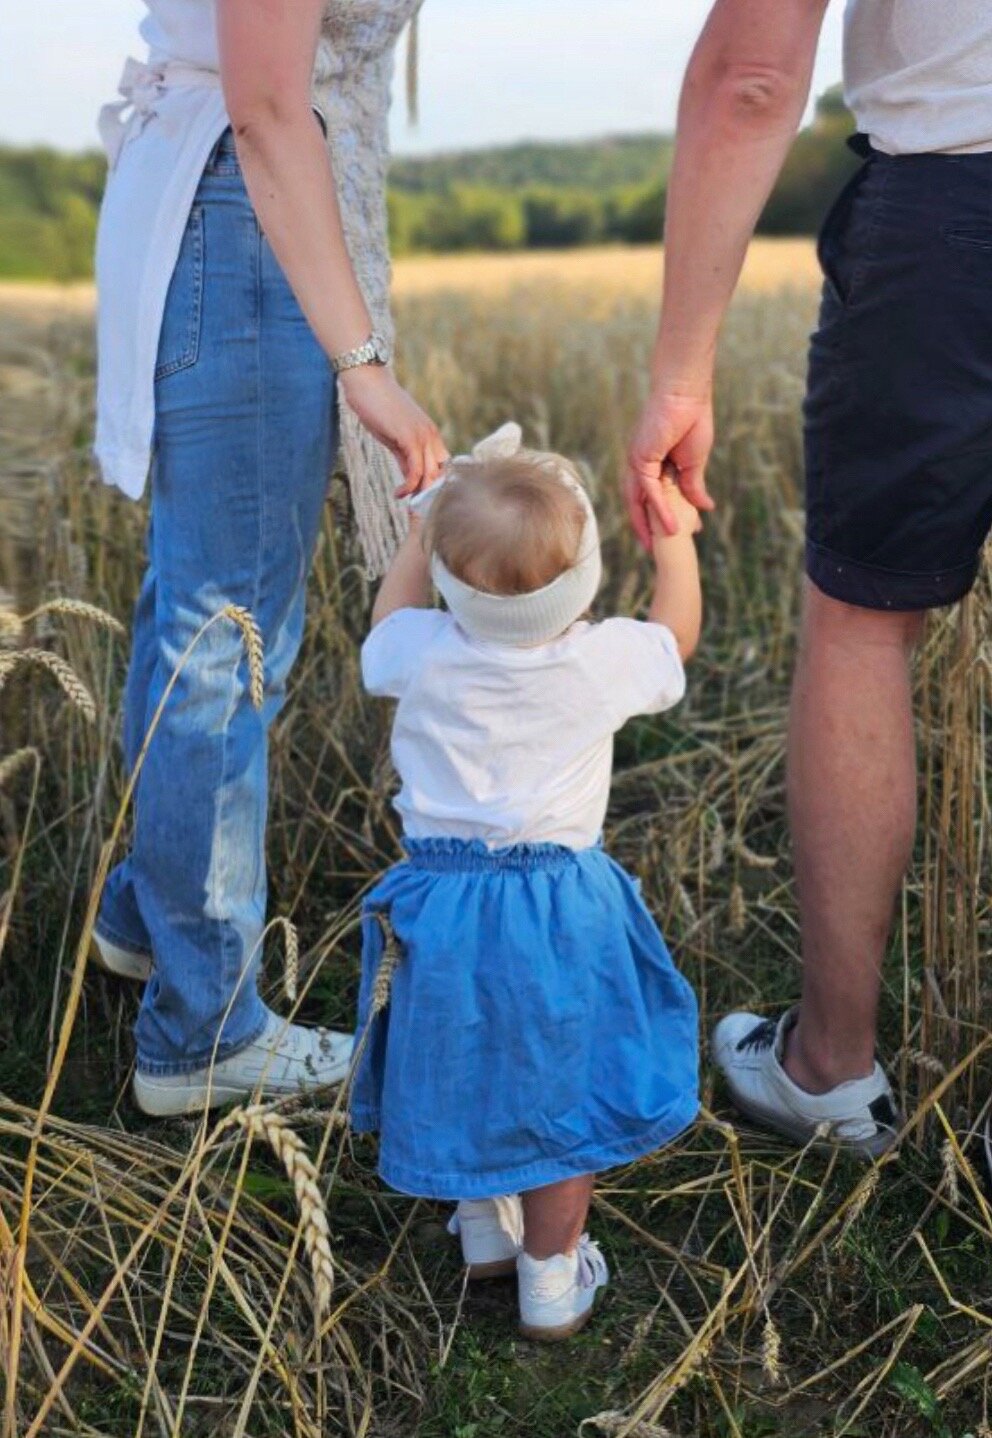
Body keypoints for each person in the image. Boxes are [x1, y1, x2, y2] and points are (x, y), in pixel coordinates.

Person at [626, 0, 992, 1154]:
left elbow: (750, 71)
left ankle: (830, 1069)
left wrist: (680, 374)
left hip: (946, 215)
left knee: (861, 625)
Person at [90, 0, 449, 1117]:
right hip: (245, 217)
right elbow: (262, 103)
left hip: (229, 210)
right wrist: (363, 363)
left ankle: (147, 920)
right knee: (230, 634)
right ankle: (202, 1035)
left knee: (194, 613)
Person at [352, 423, 701, 1340]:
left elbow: (385, 626)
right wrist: (673, 538)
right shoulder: (601, 660)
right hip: (558, 910)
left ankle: (480, 1228)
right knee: (560, 1087)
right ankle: (550, 1272)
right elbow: (677, 634)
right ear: (583, 583)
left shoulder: (422, 649)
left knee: (463, 1061)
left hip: (442, 904)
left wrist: (422, 537)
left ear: (451, 586)